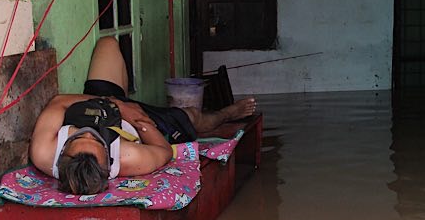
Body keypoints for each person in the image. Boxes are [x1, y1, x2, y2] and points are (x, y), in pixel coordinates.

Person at [29, 36, 257, 195]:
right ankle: (225, 114)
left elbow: (58, 102)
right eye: (96, 140)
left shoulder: (44, 152)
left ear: (63, 153)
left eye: (79, 137)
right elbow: (164, 152)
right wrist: (137, 120)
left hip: (97, 105)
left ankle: (124, 99)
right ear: (108, 161)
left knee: (107, 44)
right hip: (137, 122)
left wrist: (118, 104)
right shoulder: (128, 158)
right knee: (193, 117)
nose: (89, 134)